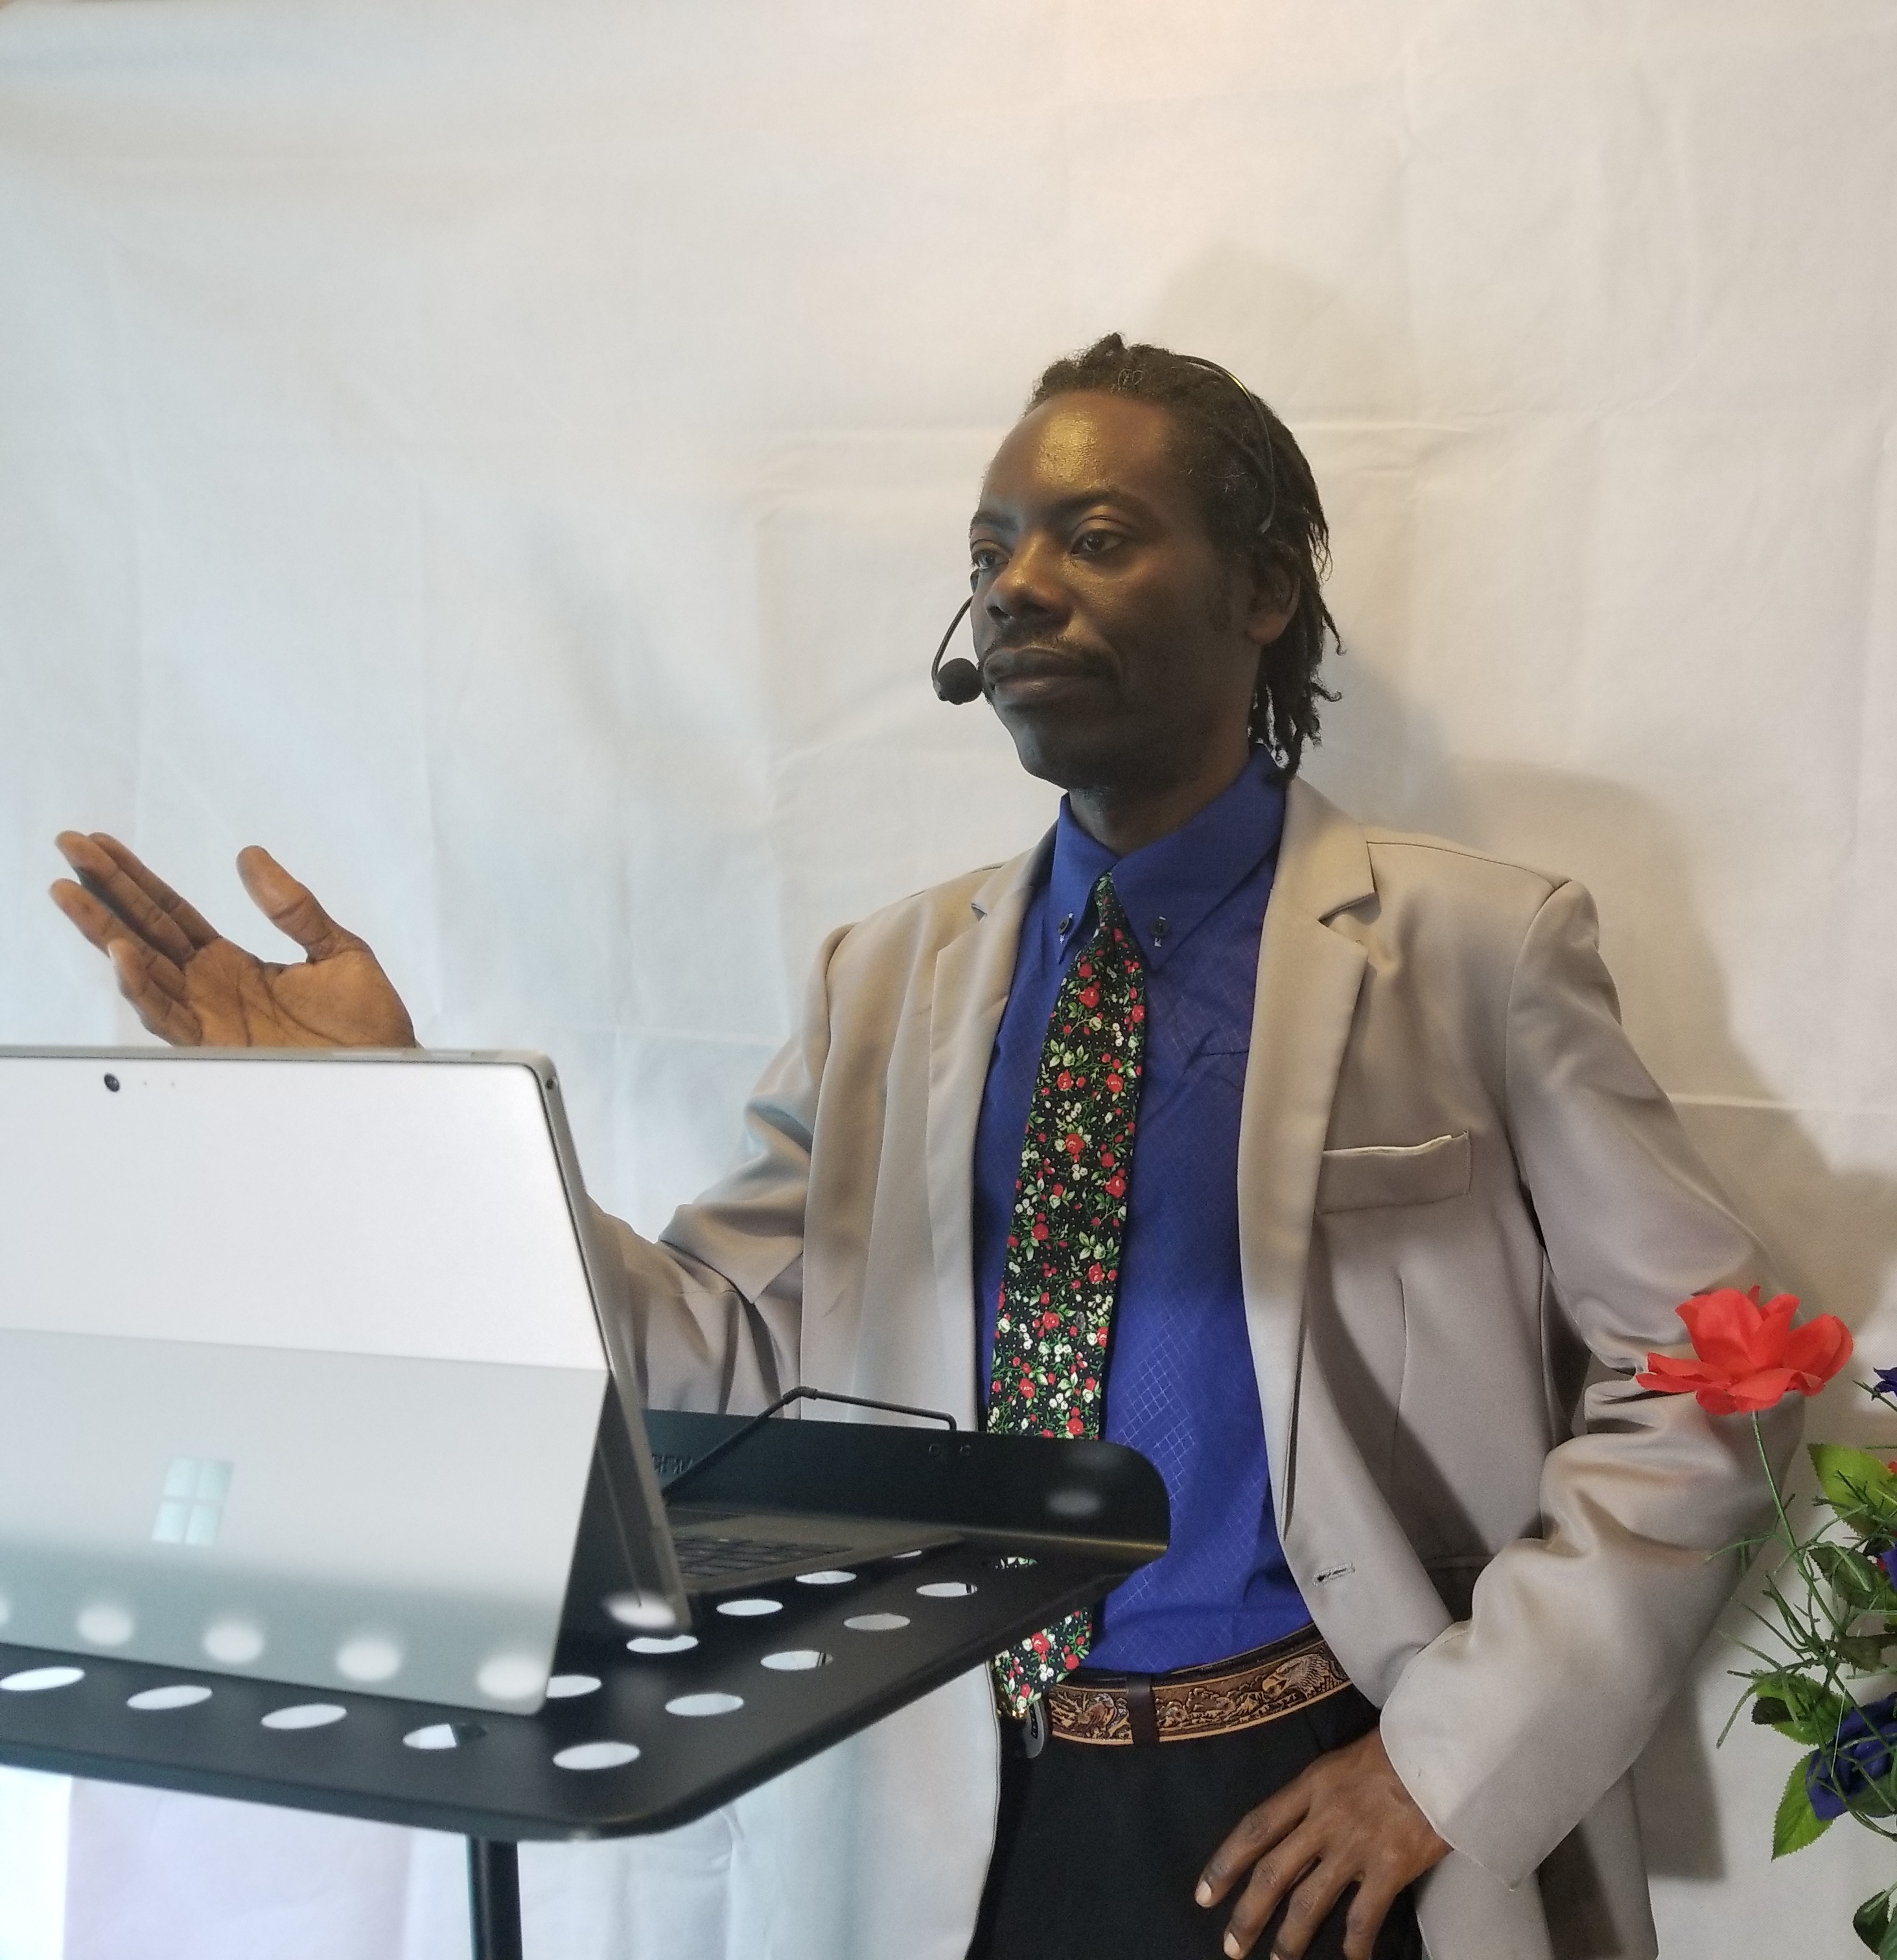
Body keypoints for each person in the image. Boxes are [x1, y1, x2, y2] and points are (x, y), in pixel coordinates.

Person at [49, 336, 1804, 1960]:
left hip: (1330, 1820)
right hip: (959, 1822)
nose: (1019, 585)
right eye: (991, 548)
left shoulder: (1476, 951)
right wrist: (400, 1122)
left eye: (1096, 538)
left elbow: (1718, 1368)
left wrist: (1451, 1761)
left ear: (1265, 590)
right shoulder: (881, 984)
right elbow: (721, 1365)